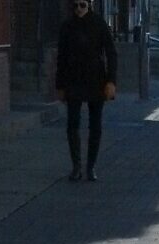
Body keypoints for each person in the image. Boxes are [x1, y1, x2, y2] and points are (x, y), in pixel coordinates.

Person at [55, 0, 117, 182]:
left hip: (96, 79)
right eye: (75, 6)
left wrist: (111, 80)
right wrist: (59, 85)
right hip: (73, 80)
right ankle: (76, 167)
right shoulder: (67, 26)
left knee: (95, 124)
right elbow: (61, 57)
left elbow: (111, 52)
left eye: (82, 5)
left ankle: (91, 167)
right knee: (72, 123)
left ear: (89, 5)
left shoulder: (99, 24)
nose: (78, 9)